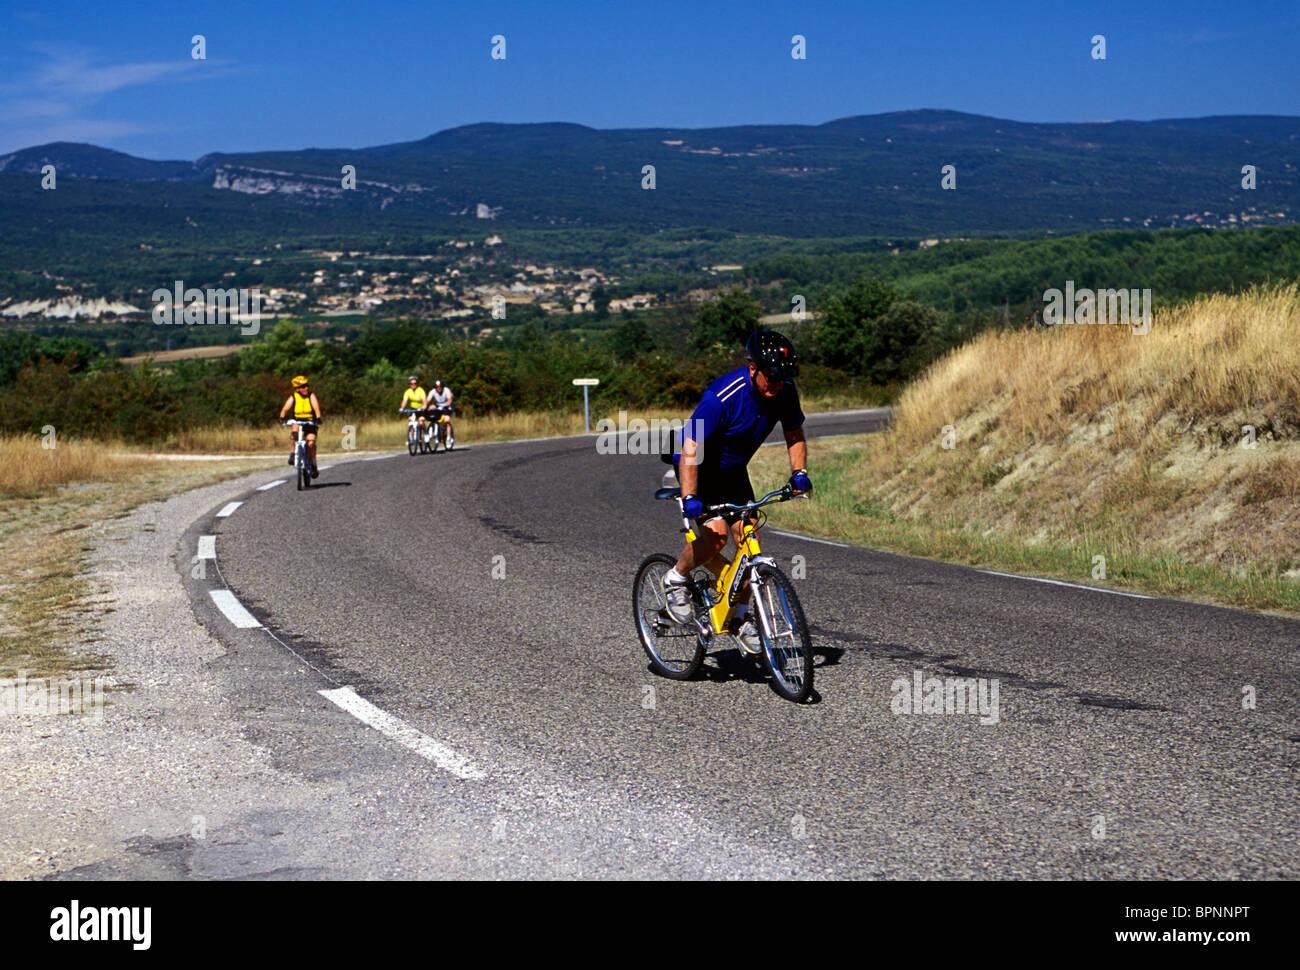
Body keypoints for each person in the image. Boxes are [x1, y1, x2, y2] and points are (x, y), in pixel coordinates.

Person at [662, 330, 811, 654]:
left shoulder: (784, 392)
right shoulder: (723, 396)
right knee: (715, 536)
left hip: (732, 473)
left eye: (784, 379)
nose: (776, 385)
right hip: (700, 468)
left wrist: (799, 473)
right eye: (771, 377)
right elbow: (691, 445)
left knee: (749, 543)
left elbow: (795, 432)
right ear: (753, 368)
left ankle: (741, 618)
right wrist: (690, 497)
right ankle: (676, 578)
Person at [279, 375, 322, 477]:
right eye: (303, 386)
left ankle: (313, 464)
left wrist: (318, 418)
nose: (306, 388)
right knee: (294, 429)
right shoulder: (293, 397)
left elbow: (316, 408)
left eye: (307, 385)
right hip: (298, 421)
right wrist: (282, 417)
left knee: (311, 443)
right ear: (297, 389)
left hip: (309, 422)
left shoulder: (311, 396)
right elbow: (285, 408)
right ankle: (293, 453)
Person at [429, 379, 455, 448]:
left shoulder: (446, 390)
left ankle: (448, 438)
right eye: (437, 387)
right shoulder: (433, 391)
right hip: (439, 405)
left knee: (446, 420)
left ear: (442, 386)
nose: (438, 388)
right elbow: (427, 399)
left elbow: (449, 399)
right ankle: (434, 431)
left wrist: (446, 406)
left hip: (448, 405)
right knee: (432, 414)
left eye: (440, 386)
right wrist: (425, 406)